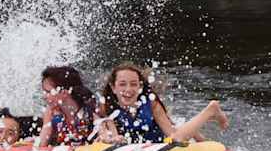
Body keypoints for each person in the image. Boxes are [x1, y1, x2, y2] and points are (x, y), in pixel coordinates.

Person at [95, 62, 229, 145]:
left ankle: (211, 109)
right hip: (139, 149)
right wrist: (111, 138)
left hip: (161, 142)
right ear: (113, 87)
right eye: (122, 84)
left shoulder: (151, 103)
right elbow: (106, 132)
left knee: (176, 138)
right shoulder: (106, 106)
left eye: (134, 84)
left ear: (140, 87)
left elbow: (171, 133)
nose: (128, 90)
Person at [34, 65, 98, 148]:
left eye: (48, 92)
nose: (44, 96)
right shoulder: (54, 117)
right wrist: (47, 123)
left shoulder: (91, 115)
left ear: (64, 92)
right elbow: (39, 146)